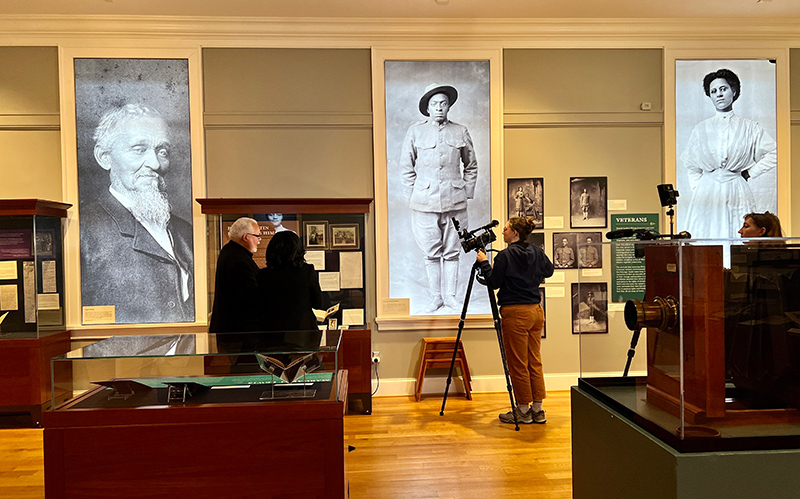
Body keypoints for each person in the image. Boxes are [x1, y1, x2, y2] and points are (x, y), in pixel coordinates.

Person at [79, 103, 194, 323]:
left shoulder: (185, 232)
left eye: (162, 151)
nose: (155, 163)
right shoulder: (84, 229)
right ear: (104, 157)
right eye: (139, 149)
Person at [399, 83, 478, 313]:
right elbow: (406, 167)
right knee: (431, 253)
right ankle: (436, 297)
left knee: (452, 251)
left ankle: (451, 297)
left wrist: (466, 191)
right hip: (424, 202)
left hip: (455, 201)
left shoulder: (460, 131)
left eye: (443, 103)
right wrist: (413, 195)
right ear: (427, 108)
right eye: (435, 104)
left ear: (449, 106)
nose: (439, 108)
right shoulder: (415, 131)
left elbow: (471, 165)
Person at [681, 68, 777, 239]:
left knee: (736, 232)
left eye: (723, 89)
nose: (719, 94)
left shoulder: (750, 127)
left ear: (733, 91)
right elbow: (692, 165)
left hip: (736, 189)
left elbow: (773, 152)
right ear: (709, 96)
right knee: (706, 235)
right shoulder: (701, 129)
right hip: (707, 194)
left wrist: (749, 173)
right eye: (714, 91)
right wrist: (703, 188)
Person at [476, 217, 554, 425]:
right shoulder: (536, 251)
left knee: (518, 363)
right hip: (536, 311)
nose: (503, 232)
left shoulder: (504, 256)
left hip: (515, 313)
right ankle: (537, 409)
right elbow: (549, 270)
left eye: (507, 229)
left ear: (515, 233)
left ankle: (522, 410)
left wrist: (484, 263)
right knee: (534, 360)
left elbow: (493, 283)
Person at [258, 231, 324, 334]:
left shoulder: (262, 275)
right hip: (302, 332)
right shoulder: (307, 271)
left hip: (272, 332)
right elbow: (318, 303)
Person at [209, 217, 262, 336]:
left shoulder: (232, 252)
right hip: (237, 332)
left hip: (232, 329)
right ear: (246, 237)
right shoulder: (238, 259)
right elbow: (251, 296)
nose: (259, 240)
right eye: (257, 236)